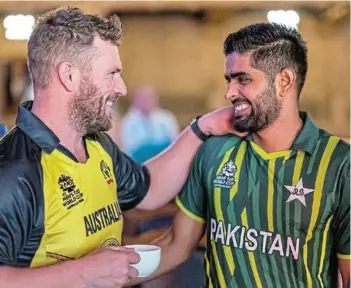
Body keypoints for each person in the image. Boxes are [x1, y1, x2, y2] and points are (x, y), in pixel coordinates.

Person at [0, 7, 243, 288]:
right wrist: (82, 273)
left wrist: (202, 129)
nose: (122, 87)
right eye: (112, 73)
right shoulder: (13, 170)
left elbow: (146, 188)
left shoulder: (95, 143)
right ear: (69, 76)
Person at [132, 23, 350, 288]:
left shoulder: (339, 163)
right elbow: (176, 244)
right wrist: (94, 276)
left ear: (284, 81)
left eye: (243, 79)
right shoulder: (215, 151)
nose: (230, 92)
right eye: (229, 80)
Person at [121, 85, 179, 164]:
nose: (146, 101)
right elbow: (129, 148)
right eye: (143, 98)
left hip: (165, 161)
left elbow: (174, 141)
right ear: (135, 100)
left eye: (149, 98)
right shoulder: (128, 121)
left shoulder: (167, 118)